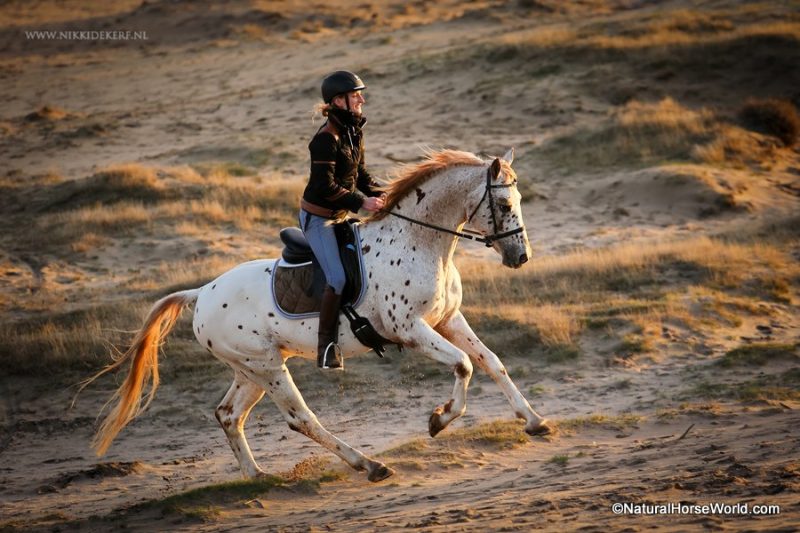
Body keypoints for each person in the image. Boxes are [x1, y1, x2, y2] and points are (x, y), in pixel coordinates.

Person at [300, 70, 385, 370]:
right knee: (337, 278)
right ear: (339, 100)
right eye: (355, 95)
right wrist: (362, 202)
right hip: (318, 219)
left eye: (360, 94)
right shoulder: (325, 139)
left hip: (340, 215)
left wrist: (387, 195)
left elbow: (360, 175)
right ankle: (326, 347)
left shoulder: (353, 131)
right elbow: (325, 187)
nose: (362, 99)